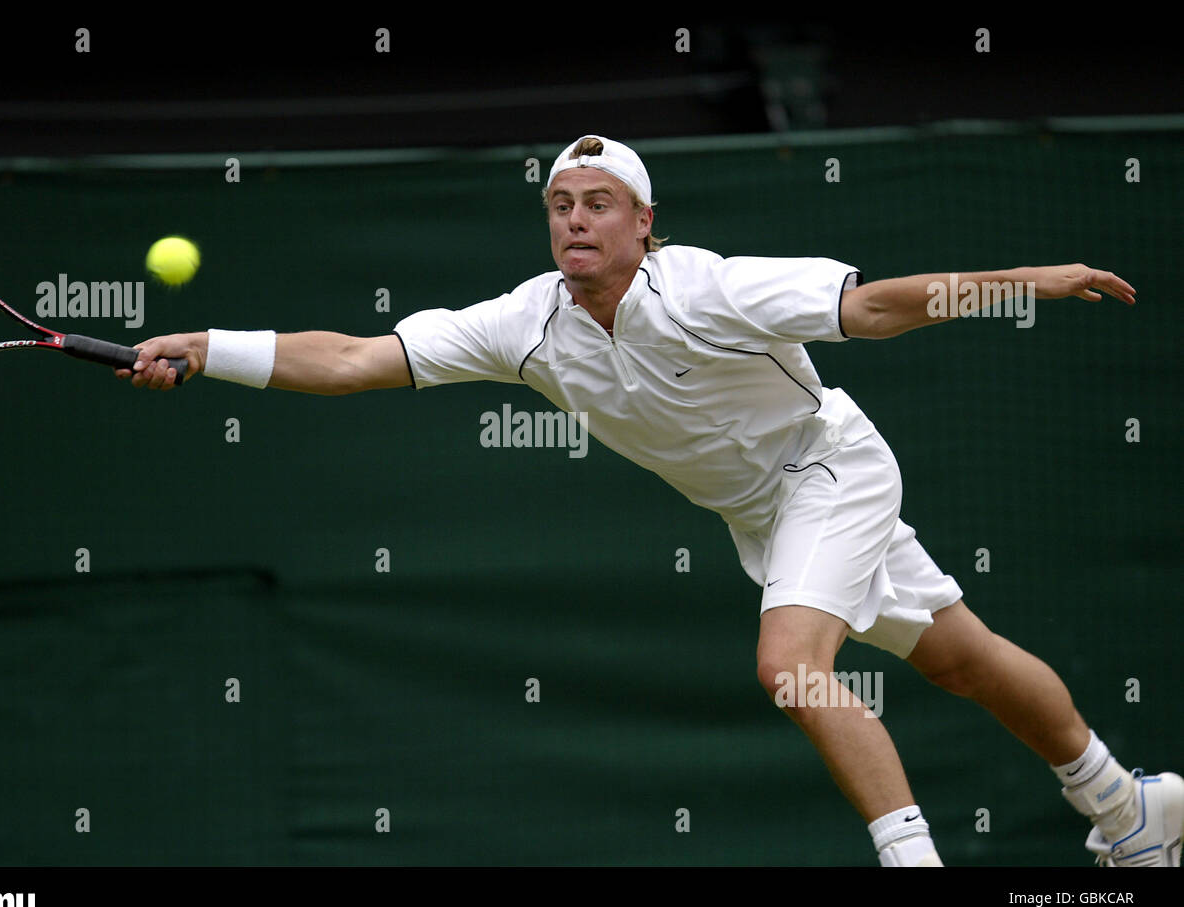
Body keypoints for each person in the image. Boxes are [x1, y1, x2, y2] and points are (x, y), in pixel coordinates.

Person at [119, 134, 1179, 867]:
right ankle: (1126, 806)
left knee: (787, 668)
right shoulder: (525, 320)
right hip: (761, 515)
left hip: (830, 469)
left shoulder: (709, 288)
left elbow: (867, 307)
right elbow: (353, 358)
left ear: (642, 222)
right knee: (960, 656)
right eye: (559, 207)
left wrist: (1022, 280)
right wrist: (208, 347)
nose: (575, 222)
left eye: (598, 205)